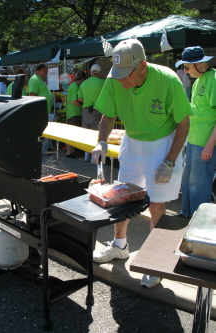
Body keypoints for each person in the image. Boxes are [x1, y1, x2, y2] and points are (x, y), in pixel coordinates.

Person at [91, 38, 193, 289]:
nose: (122, 80)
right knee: (123, 196)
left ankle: (155, 263)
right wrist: (101, 142)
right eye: (118, 75)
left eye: (127, 75)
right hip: (132, 141)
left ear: (143, 66)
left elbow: (183, 124)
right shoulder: (115, 79)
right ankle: (120, 247)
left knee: (157, 207)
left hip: (162, 143)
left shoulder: (167, 79)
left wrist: (169, 161)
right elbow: (108, 116)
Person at [175, 46, 216, 219]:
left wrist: (209, 145)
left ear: (199, 64)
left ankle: (197, 221)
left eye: (186, 67)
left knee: (199, 184)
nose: (185, 70)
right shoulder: (199, 79)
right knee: (187, 181)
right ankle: (186, 214)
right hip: (193, 140)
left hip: (204, 142)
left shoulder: (213, 79)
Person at [78, 64, 105, 162]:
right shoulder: (103, 82)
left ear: (91, 71)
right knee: (96, 134)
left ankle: (86, 155)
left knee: (86, 133)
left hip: (85, 110)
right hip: (97, 110)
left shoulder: (84, 83)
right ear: (99, 72)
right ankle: (94, 158)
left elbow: (79, 98)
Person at [28, 63, 53, 153]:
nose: (46, 73)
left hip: (45, 110)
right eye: (46, 71)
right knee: (42, 131)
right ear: (41, 69)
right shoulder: (34, 79)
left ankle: (45, 148)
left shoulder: (40, 79)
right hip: (41, 111)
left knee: (45, 130)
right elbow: (33, 95)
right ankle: (41, 149)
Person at [66, 71, 86, 158]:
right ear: (82, 79)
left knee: (71, 132)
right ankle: (69, 152)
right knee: (72, 132)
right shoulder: (75, 86)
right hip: (74, 112)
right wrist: (82, 106)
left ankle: (71, 151)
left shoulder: (73, 85)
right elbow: (74, 101)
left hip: (72, 111)